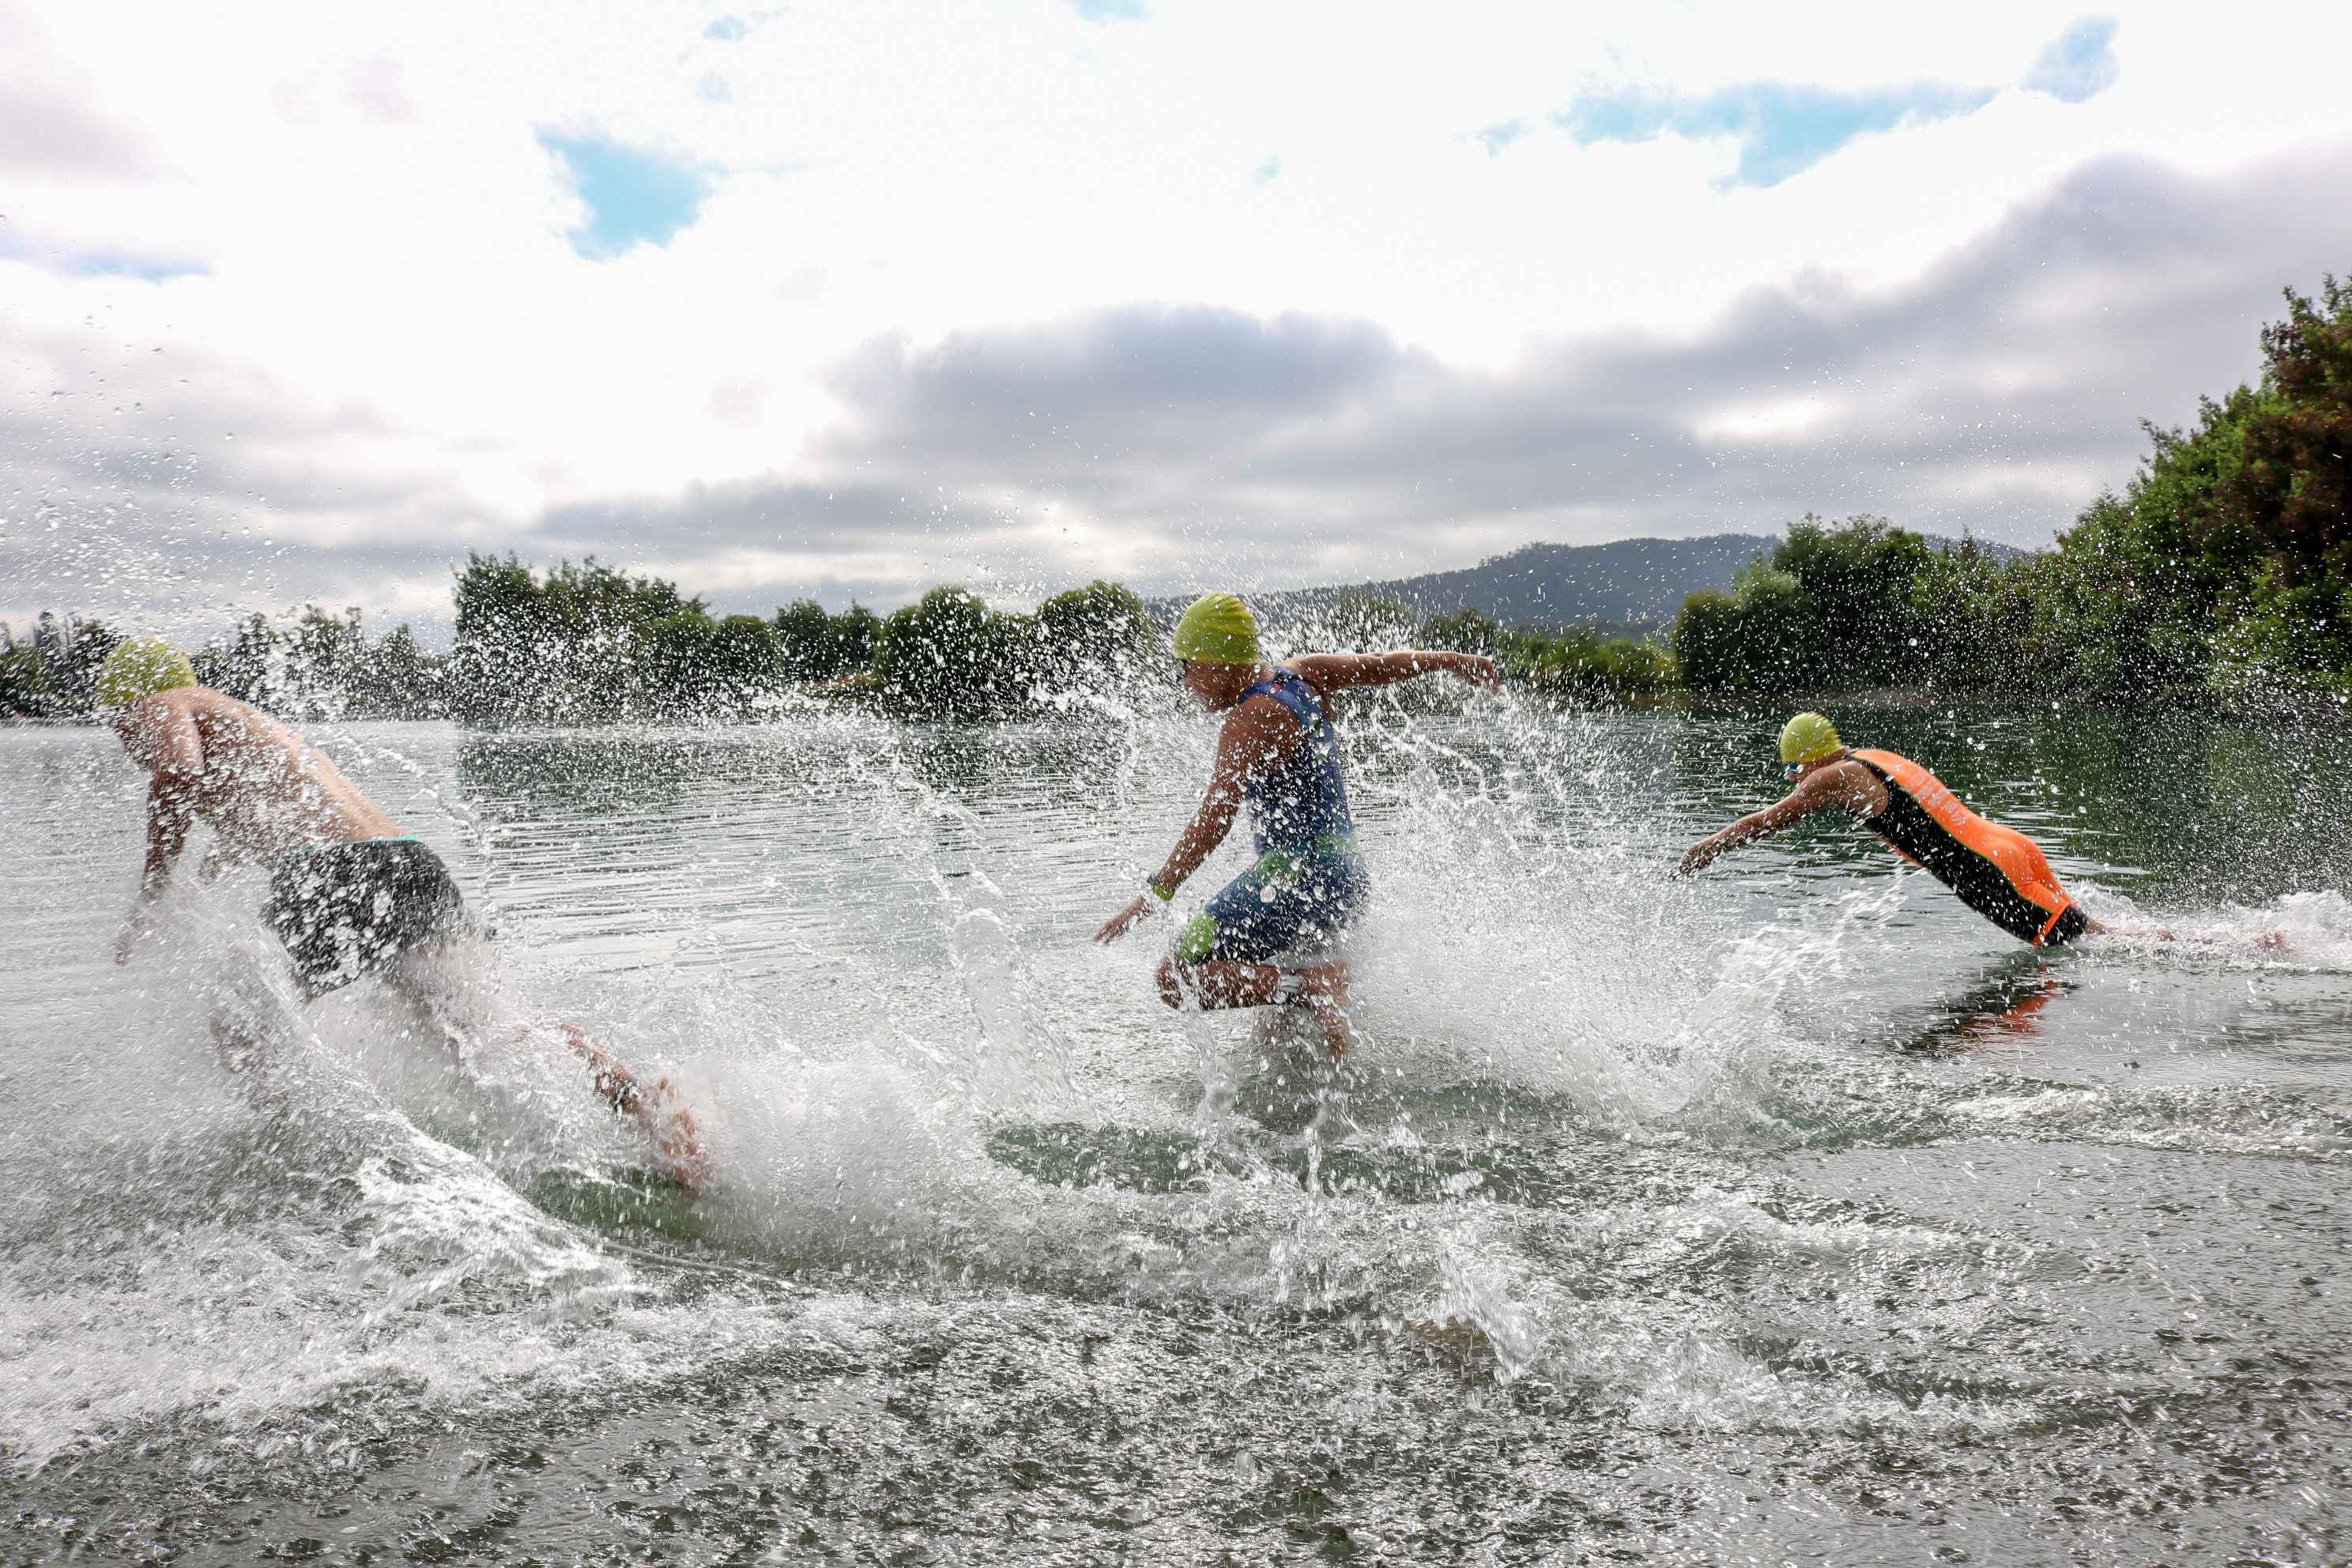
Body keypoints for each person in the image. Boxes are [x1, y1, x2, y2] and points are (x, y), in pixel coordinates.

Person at [96, 637, 710, 1189]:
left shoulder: (165, 701)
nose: (130, 745)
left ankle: (293, 1160)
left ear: (130, 699)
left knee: (238, 1015)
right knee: (487, 1028)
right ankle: (641, 1101)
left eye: (122, 730)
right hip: (407, 863)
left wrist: (153, 893)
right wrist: (200, 883)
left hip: (335, 874)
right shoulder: (235, 720)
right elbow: (250, 824)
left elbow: (176, 770)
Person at [1093, 593, 1499, 1060]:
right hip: (1344, 876)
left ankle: (1313, 986)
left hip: (1296, 877)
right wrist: (1451, 660)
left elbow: (1214, 819)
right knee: (1278, 1034)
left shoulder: (1250, 718)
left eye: (1187, 666)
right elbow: (1376, 666)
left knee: (1175, 977)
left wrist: (1152, 897)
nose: (1185, 681)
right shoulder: (1300, 673)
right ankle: (1328, 1099)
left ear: (1217, 660)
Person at [1673, 711, 2102, 946]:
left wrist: (1705, 849)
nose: (1793, 779)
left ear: (1811, 758)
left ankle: (2167, 945)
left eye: (1793, 767)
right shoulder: (1874, 757)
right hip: (2011, 846)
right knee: (2091, 937)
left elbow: (1767, 821)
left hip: (1985, 871)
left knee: (2087, 950)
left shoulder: (1831, 776)